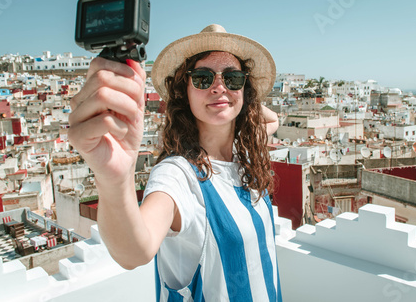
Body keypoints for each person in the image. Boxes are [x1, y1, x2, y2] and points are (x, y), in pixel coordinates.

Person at [69, 24, 282, 301]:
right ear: (184, 93)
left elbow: (272, 120)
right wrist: (113, 179)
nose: (218, 86)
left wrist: (241, 99)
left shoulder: (244, 152)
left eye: (233, 78)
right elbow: (135, 250)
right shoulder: (178, 175)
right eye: (203, 79)